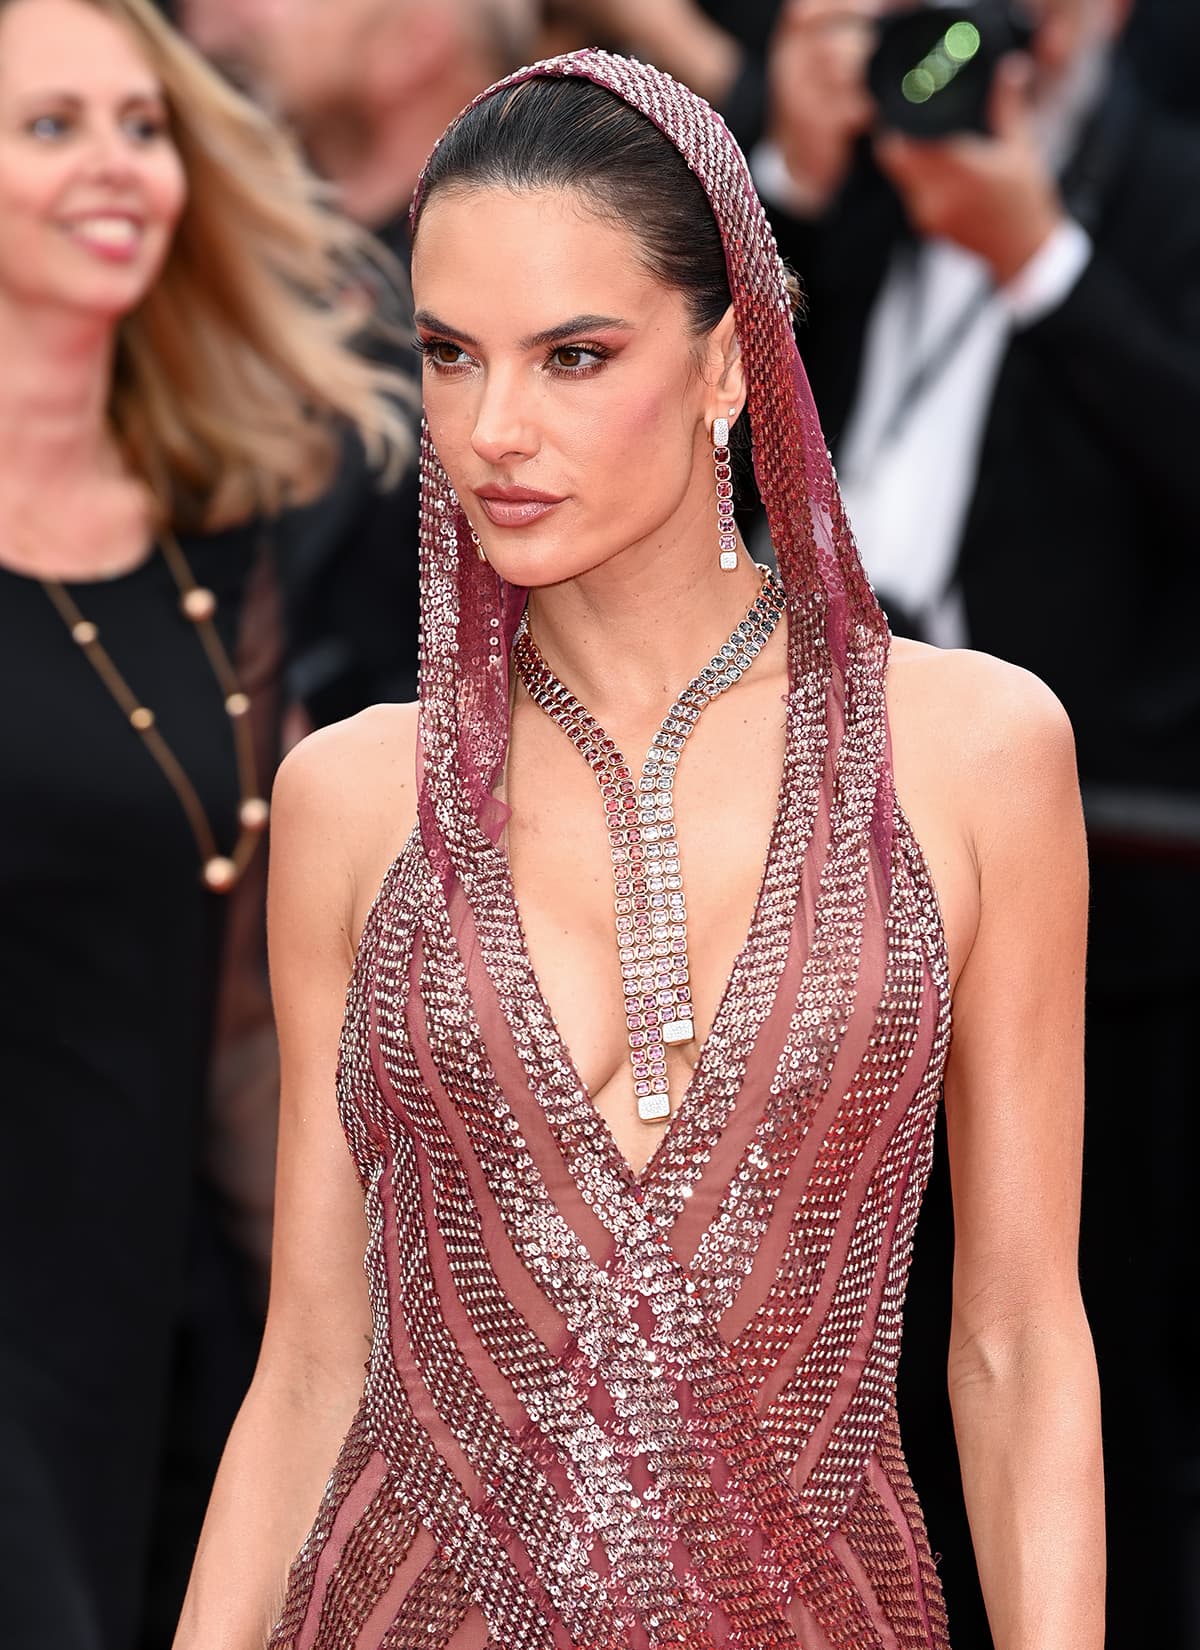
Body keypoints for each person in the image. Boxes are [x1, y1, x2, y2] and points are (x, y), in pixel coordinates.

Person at [174, 50, 1102, 1650]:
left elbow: (1016, 1339)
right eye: (451, 356)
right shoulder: (352, 794)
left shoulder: (975, 751)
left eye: (574, 355)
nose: (494, 428)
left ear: (731, 362)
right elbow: (317, 1363)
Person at [760, 2, 1200, 1640]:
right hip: (802, 838)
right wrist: (784, 191)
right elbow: (692, 433)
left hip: (1094, 868)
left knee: (1072, 1350)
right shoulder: (852, 186)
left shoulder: (1162, 193)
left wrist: (1046, 266)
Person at [0, 1, 407, 1645]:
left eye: (143, 123)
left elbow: (247, 1007)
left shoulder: (219, 533)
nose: (118, 165)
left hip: (149, 1311)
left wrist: (373, 1345)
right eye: (50, 126)